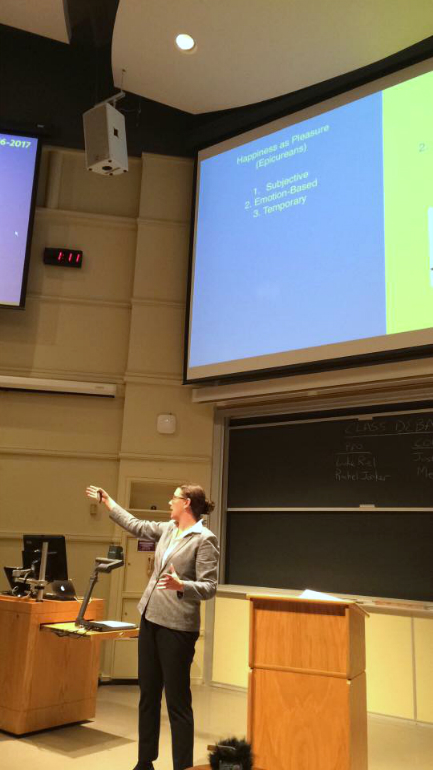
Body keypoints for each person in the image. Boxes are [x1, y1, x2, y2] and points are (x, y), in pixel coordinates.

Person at [86, 483, 219, 770]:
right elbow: (135, 524)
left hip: (177, 628)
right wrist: (109, 502)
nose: (169, 502)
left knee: (177, 702)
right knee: (148, 695)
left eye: (173, 498)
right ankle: (145, 761)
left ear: (186, 503)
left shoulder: (204, 538)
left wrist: (182, 584)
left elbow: (209, 587)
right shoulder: (168, 529)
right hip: (150, 619)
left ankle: (182, 766)